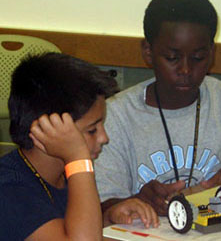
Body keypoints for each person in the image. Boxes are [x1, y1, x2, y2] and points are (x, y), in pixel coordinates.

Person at [95, 0, 221, 219]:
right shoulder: (114, 115)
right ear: (148, 52)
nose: (186, 70)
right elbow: (102, 207)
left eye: (198, 58)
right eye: (172, 58)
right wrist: (134, 201)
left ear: (212, 53)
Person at [0, 52, 158, 241]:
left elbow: (70, 229)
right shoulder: (9, 190)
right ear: (48, 129)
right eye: (92, 130)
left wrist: (106, 218)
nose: (104, 138)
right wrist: (78, 158)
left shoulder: (60, 176)